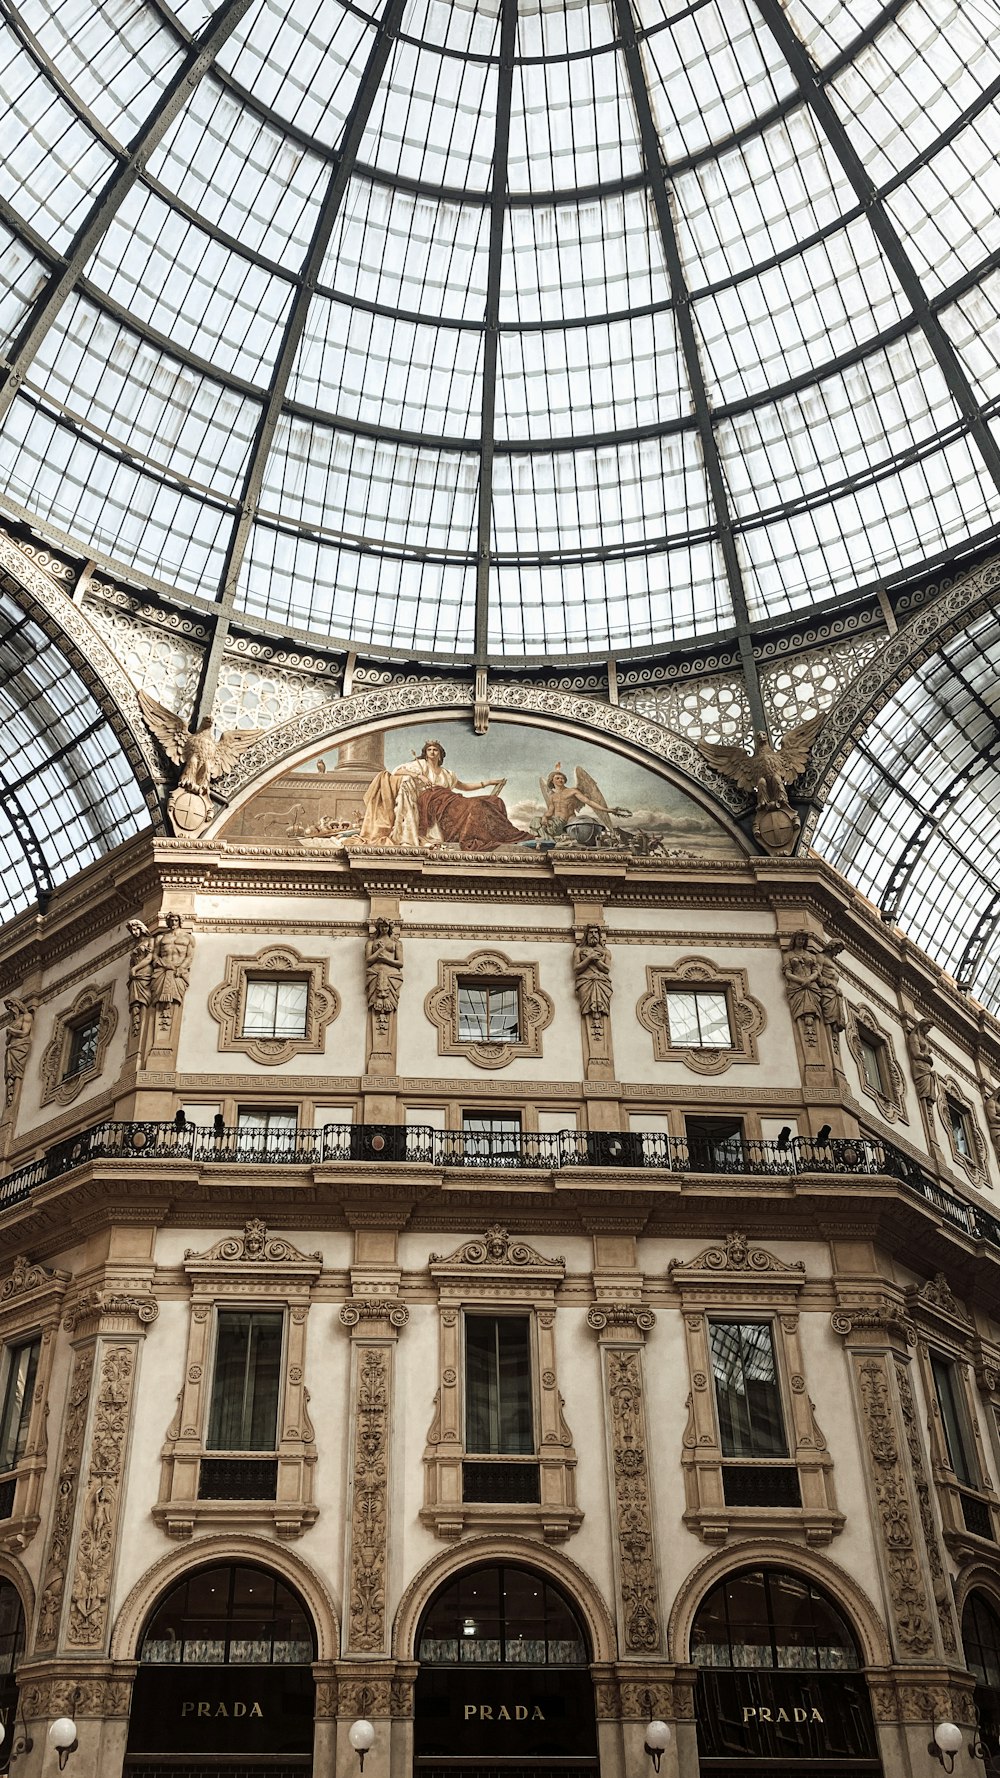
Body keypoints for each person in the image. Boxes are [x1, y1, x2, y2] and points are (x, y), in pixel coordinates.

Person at [359, 740, 525, 851]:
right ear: (425, 753)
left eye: (435, 750)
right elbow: (396, 771)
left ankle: (498, 834)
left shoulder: (447, 773)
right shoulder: (420, 765)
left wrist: (488, 783)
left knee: (489, 801)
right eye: (429, 750)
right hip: (432, 802)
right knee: (474, 806)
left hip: (450, 800)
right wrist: (419, 776)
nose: (432, 752)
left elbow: (464, 786)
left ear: (440, 753)